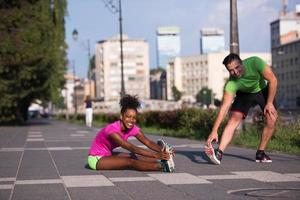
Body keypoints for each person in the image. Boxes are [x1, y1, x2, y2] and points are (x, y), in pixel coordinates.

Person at [205, 53, 278, 164]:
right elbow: (224, 108)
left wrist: (269, 103)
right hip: (244, 94)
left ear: (241, 62)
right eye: (231, 70)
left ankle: (260, 153)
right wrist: (214, 130)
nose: (235, 72)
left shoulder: (255, 62)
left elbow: (273, 80)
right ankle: (219, 153)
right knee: (234, 119)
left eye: (237, 67)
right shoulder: (231, 84)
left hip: (262, 90)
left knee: (271, 118)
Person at [87, 94, 175, 172]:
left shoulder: (132, 128)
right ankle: (162, 167)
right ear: (121, 116)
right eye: (128, 117)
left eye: (134, 118)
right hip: (96, 159)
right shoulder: (112, 130)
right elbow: (132, 148)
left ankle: (163, 160)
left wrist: (164, 151)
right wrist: (155, 155)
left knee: (132, 156)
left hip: (107, 154)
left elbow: (148, 142)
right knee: (130, 162)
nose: (131, 120)